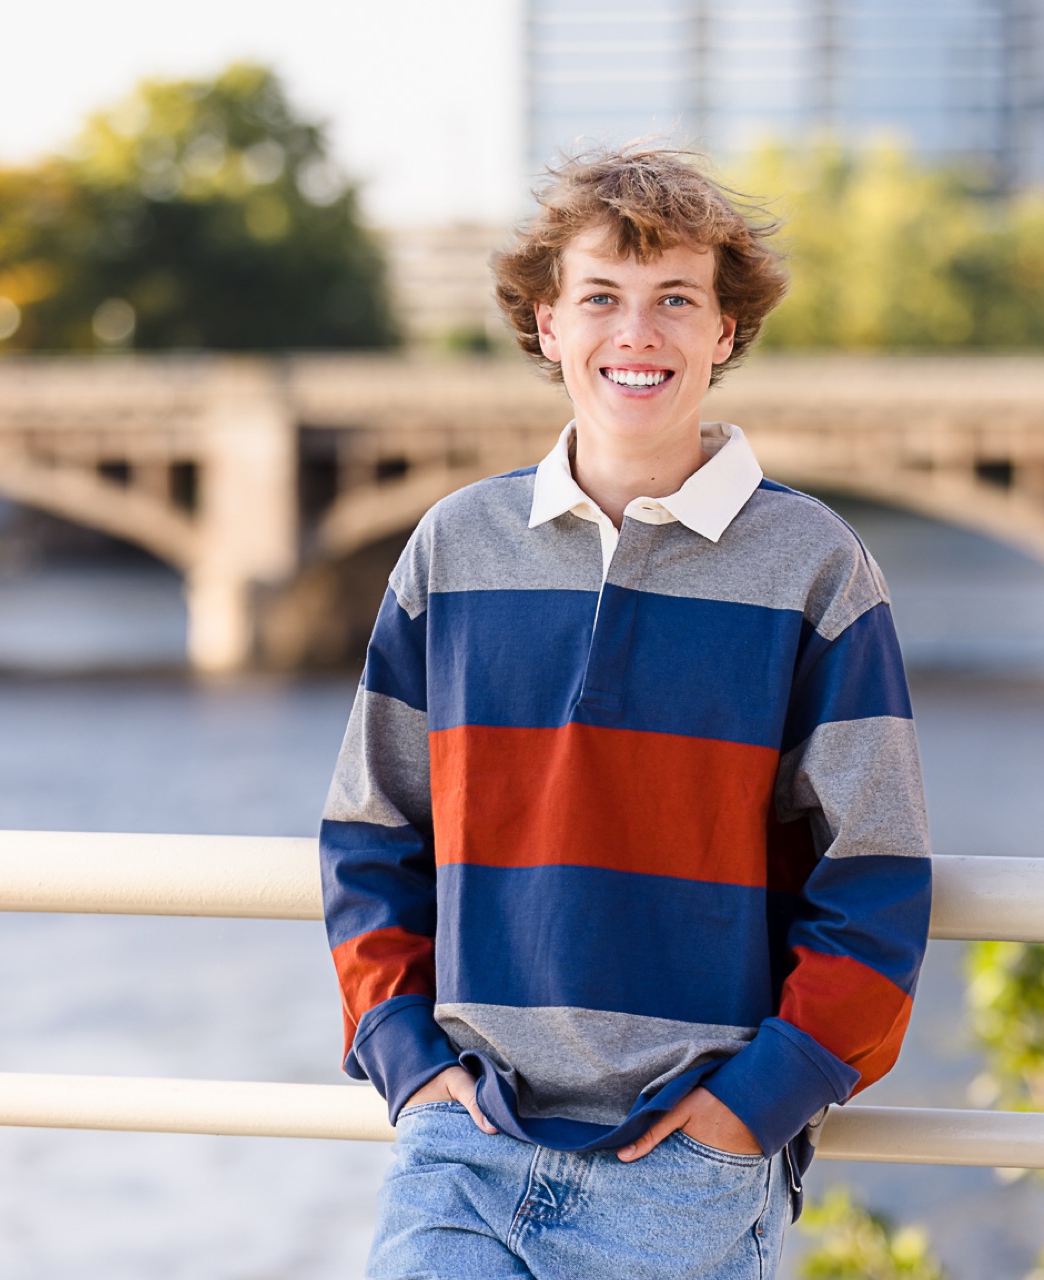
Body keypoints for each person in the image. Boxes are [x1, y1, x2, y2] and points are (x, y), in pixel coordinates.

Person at [318, 145, 933, 1279]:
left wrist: (757, 1102)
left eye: (674, 302)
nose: (635, 334)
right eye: (600, 297)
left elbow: (878, 874)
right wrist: (407, 1058)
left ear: (726, 332)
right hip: (467, 1144)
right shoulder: (452, 548)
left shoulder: (817, 568)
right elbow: (370, 832)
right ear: (549, 324)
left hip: (690, 1160)